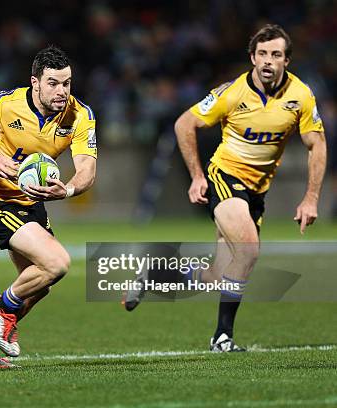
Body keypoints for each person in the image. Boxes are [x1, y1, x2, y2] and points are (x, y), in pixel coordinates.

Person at [127, 24, 326, 352]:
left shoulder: (301, 96)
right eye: (262, 53)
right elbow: (184, 124)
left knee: (219, 275)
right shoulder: (231, 93)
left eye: (275, 54)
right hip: (225, 177)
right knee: (248, 249)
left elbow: (316, 144)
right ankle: (222, 337)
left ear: (286, 61)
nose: (267, 60)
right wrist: (197, 175)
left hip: (256, 193)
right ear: (252, 57)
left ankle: (155, 275)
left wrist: (311, 197)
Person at [0, 45, 97, 368]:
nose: (62, 91)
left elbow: (87, 169)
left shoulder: (80, 115)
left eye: (67, 83)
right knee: (56, 264)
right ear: (35, 82)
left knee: (38, 285)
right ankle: (1, 308)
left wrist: (67, 189)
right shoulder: (4, 103)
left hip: (32, 207)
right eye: (53, 83)